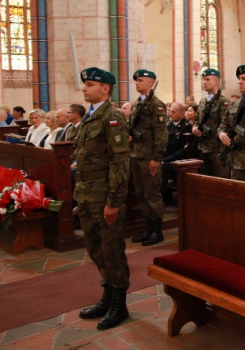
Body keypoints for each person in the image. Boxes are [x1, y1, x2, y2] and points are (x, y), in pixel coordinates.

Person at [73, 67, 131, 330]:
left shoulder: (114, 117)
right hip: (87, 195)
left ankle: (119, 304)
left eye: (89, 84)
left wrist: (113, 202)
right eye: (85, 84)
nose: (84, 88)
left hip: (105, 198)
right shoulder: (90, 116)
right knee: (95, 248)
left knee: (112, 250)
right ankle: (107, 297)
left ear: (105, 88)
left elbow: (119, 163)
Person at [128, 69, 168, 247]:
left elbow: (160, 134)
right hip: (136, 154)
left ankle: (156, 230)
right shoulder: (138, 103)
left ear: (151, 83)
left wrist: (156, 158)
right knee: (141, 194)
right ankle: (147, 227)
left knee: (152, 194)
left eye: (141, 80)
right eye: (136, 80)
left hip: (149, 156)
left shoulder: (156, 104)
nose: (137, 83)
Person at [193, 68, 230, 177]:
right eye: (203, 79)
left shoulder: (223, 102)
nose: (204, 82)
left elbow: (226, 126)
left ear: (216, 82)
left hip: (216, 150)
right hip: (202, 148)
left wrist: (221, 153)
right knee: (205, 180)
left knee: (219, 182)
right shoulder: (203, 101)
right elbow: (196, 120)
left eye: (208, 79)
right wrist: (194, 128)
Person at [160, 102, 192, 202]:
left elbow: (183, 151)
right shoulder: (169, 125)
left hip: (179, 161)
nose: (170, 114)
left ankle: (162, 198)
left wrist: (164, 160)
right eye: (169, 111)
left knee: (162, 167)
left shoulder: (186, 127)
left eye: (173, 112)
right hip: (168, 158)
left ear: (182, 114)